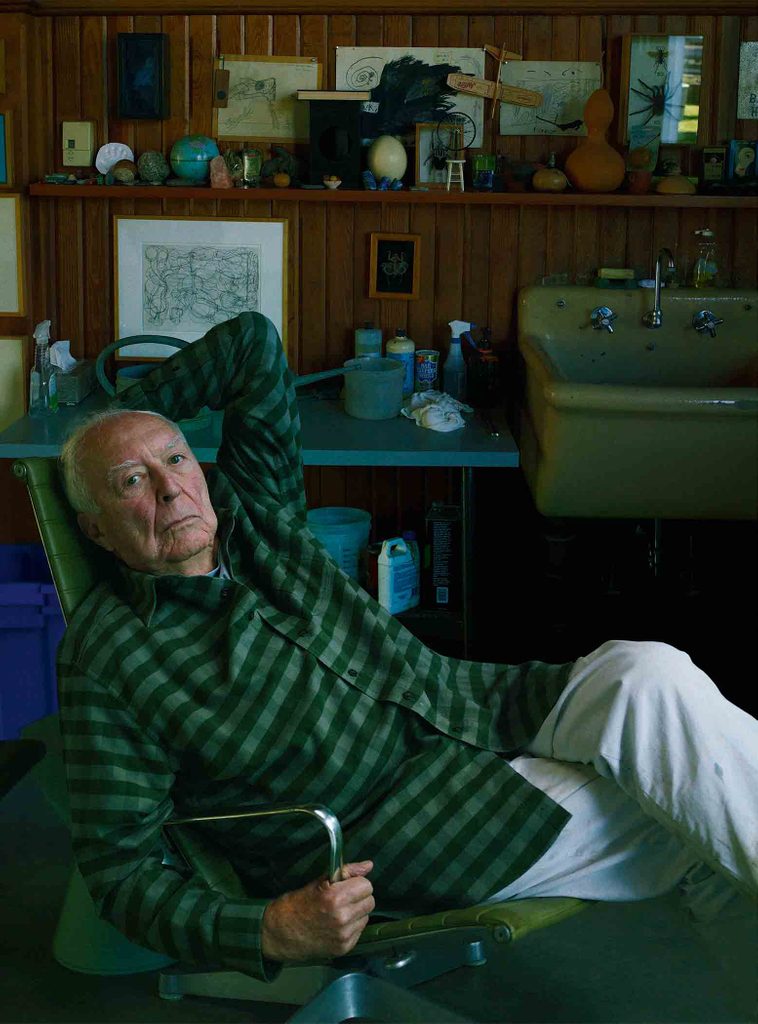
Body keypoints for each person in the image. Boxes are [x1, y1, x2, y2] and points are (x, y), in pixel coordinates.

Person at [57, 313, 757, 981]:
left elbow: (251, 346)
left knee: (650, 673)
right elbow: (121, 874)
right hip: (404, 823)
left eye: (176, 458)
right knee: (696, 806)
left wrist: (117, 421)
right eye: (129, 482)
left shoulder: (256, 519)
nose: (171, 488)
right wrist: (267, 927)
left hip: (473, 709)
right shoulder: (110, 657)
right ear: (96, 530)